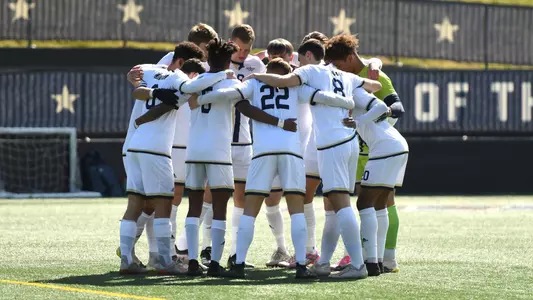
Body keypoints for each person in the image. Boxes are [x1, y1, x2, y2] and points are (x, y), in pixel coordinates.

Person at [195, 58, 357, 279]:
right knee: (296, 208)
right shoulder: (295, 86)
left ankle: (238, 264)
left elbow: (228, 95)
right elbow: (323, 97)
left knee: (250, 209)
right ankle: (301, 265)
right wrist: (348, 103)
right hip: (291, 151)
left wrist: (202, 97)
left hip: (263, 152)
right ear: (286, 73)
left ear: (267, 71)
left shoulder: (253, 83)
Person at [243, 43, 383, 279]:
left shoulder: (311, 72)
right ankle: (324, 262)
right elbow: (374, 86)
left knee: (341, 204)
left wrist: (257, 74)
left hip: (332, 144)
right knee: (336, 204)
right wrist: (372, 68)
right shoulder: (345, 75)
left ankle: (358, 265)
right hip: (350, 141)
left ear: (311, 56)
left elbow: (281, 81)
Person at [120, 42, 230, 275]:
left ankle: (127, 259)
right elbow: (189, 87)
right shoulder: (180, 81)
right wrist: (221, 74)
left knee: (134, 204)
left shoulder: (148, 69)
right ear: (189, 69)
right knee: (164, 204)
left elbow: (137, 89)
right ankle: (162, 260)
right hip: (156, 149)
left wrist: (147, 102)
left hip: (135, 146)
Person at [325, 34, 408, 276]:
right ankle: (375, 260)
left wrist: (363, 123)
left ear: (350, 58)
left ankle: (375, 260)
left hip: (381, 149)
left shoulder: (369, 79)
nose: (335, 70)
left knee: (369, 203)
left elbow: (392, 107)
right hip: (382, 148)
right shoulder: (344, 78)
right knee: (377, 205)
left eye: (338, 65)